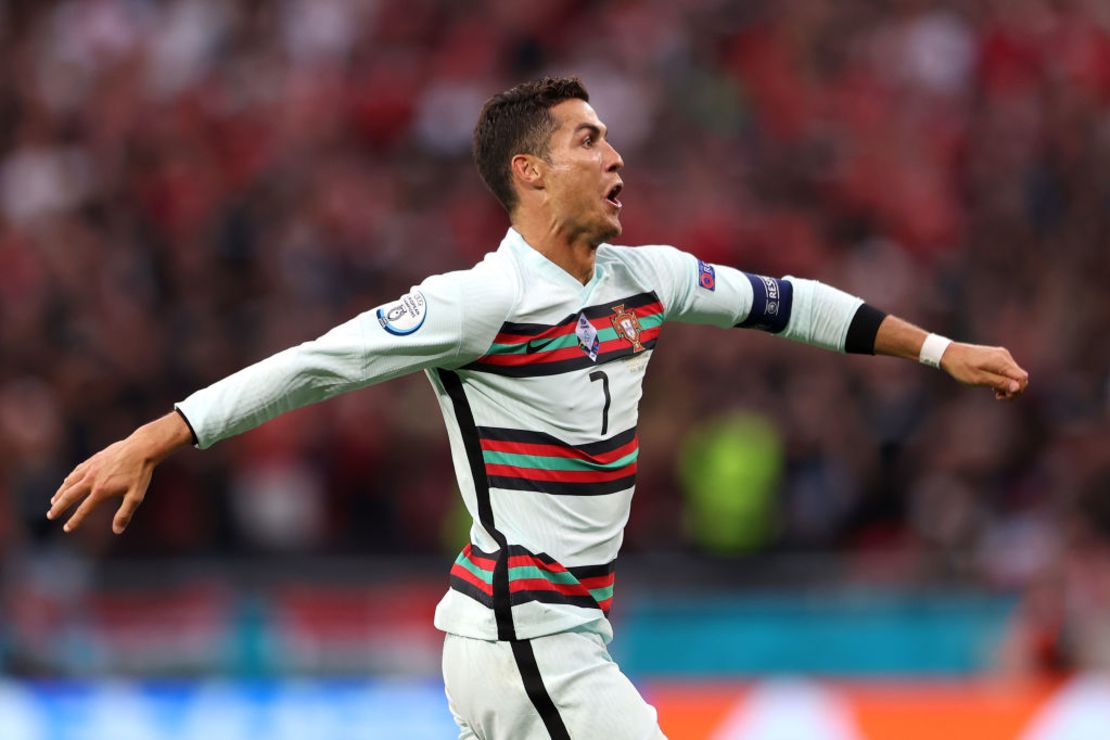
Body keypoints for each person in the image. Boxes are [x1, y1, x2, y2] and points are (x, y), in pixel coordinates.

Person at [47, 77, 1029, 739]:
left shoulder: (647, 277)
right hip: (523, 635)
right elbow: (315, 366)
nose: (616, 158)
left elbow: (791, 305)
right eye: (588, 139)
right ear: (530, 172)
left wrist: (940, 350)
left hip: (551, 635)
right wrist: (155, 434)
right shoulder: (480, 302)